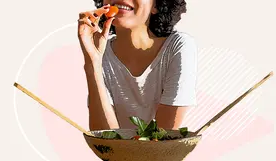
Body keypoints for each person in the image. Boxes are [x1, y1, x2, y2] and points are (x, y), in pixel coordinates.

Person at [77, 0, 197, 131]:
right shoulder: (101, 53)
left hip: (164, 151)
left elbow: (162, 138)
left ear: (156, 5)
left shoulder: (178, 46)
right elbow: (104, 139)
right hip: (118, 152)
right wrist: (93, 63)